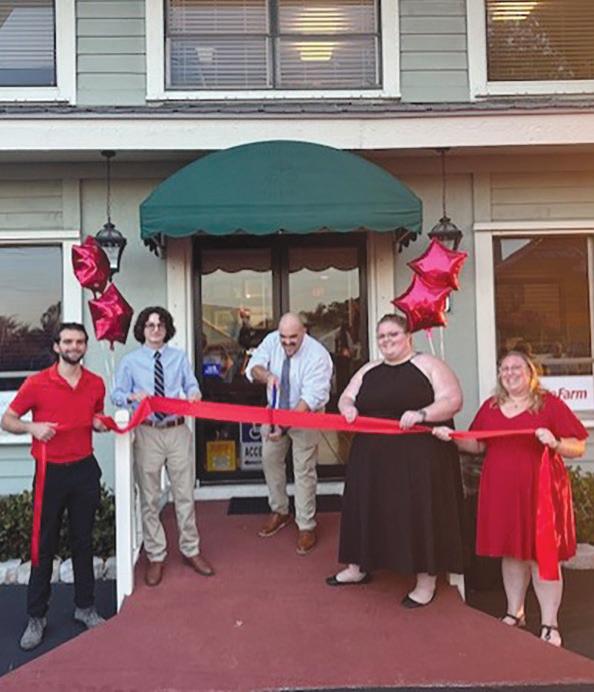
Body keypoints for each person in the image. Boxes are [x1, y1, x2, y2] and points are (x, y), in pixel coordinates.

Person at [433, 350, 587, 646]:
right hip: (501, 490)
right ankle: (514, 613)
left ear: (531, 373)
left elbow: (578, 446)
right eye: (504, 368)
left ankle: (549, 623)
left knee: (542, 555)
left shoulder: (549, 404)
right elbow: (478, 445)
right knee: (512, 552)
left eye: (517, 367)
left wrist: (555, 442)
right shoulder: (491, 407)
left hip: (540, 491)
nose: (510, 373)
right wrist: (451, 437)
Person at [328, 313, 465, 608]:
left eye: (393, 334)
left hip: (418, 456)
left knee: (418, 512)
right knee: (364, 506)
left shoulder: (429, 364)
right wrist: (348, 408)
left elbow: (453, 400)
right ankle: (357, 566)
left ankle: (425, 581)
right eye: (382, 336)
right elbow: (346, 397)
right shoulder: (369, 369)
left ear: (408, 337)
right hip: (371, 457)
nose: (387, 340)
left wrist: (423, 414)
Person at [1, 322, 108, 650]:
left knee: (83, 542)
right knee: (43, 544)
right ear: (57, 346)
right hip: (50, 472)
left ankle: (85, 607)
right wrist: (32, 427)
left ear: (85, 346)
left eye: (80, 342)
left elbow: (95, 415)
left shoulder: (95, 383)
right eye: (68, 341)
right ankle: (36, 616)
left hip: (84, 470)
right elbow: (7, 419)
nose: (74, 347)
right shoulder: (37, 383)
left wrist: (99, 423)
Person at [112, 306, 214, 586]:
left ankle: (191, 550)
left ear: (167, 329)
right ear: (142, 330)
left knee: (184, 494)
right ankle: (155, 555)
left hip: (177, 429)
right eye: (150, 325)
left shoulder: (178, 357)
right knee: (150, 497)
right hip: (148, 432)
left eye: (160, 325)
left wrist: (194, 394)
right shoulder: (130, 362)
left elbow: (191, 385)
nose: (155, 330)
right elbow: (116, 395)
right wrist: (132, 396)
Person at [245, 312, 333, 554]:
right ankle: (280, 510)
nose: (287, 342)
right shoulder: (272, 340)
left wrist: (282, 426)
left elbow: (310, 398)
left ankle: (306, 524)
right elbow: (253, 367)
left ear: (304, 332)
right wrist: (267, 376)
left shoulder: (318, 355)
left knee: (303, 469)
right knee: (270, 460)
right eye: (283, 337)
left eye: (292, 337)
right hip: (275, 411)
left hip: (306, 413)